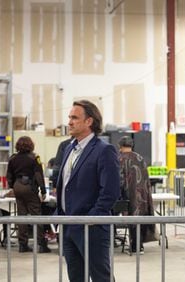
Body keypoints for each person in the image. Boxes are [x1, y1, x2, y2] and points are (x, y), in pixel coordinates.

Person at [56, 100, 120, 282]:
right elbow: (65, 186)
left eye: (74, 117)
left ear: (89, 121)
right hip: (68, 226)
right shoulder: (69, 148)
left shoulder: (104, 150)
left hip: (91, 228)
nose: (69, 122)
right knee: (76, 277)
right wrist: (59, 216)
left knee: (101, 277)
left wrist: (92, 218)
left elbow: (111, 191)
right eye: (69, 117)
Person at [6, 136, 51, 253]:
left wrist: (12, 187)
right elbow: (38, 175)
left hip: (17, 186)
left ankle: (23, 245)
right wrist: (43, 191)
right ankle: (41, 245)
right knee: (37, 216)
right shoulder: (35, 158)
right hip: (29, 187)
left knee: (21, 216)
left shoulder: (13, 158)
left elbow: (9, 175)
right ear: (31, 145)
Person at [118, 136, 156, 254]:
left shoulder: (119, 159)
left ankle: (135, 247)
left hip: (127, 194)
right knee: (139, 217)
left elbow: (119, 179)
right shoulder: (140, 158)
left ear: (120, 146)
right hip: (142, 194)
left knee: (131, 218)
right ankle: (139, 246)